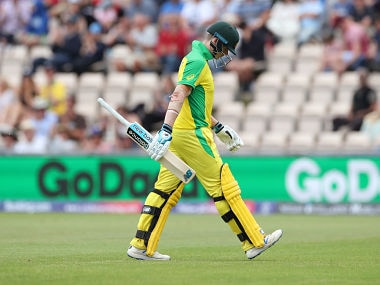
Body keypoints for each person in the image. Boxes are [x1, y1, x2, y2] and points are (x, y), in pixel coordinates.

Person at [126, 21, 283, 261]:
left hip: (181, 135)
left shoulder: (195, 60)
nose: (224, 56)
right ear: (216, 40)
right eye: (225, 49)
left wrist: (219, 127)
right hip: (192, 137)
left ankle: (141, 244)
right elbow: (178, 94)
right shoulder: (198, 61)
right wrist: (165, 129)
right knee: (223, 186)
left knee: (164, 191)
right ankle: (254, 241)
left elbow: (195, 105)